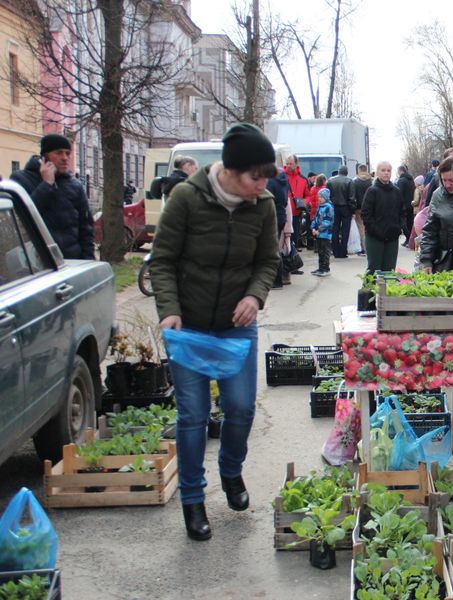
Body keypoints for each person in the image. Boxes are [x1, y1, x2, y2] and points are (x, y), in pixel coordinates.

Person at [150, 122, 280, 541]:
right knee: (193, 416)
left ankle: (230, 473)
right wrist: (169, 311)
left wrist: (254, 297)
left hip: (236, 325)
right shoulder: (187, 198)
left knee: (240, 408)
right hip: (188, 325)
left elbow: (267, 262)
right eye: (254, 176)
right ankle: (192, 500)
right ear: (231, 168)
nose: (260, 186)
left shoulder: (263, 204)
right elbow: (163, 259)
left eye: (265, 178)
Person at [10, 133, 95, 260]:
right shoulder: (21, 179)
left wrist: (88, 260)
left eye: (67, 153)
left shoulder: (74, 185)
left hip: (71, 261)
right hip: (38, 262)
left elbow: (86, 228)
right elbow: (22, 218)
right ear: (45, 156)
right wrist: (46, 184)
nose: (65, 158)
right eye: (59, 153)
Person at [360, 161, 404, 274]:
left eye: (388, 170)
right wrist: (375, 230)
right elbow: (365, 214)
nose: (386, 173)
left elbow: (402, 212)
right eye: (383, 170)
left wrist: (398, 228)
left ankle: (387, 292)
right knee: (374, 270)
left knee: (389, 271)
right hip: (375, 238)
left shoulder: (396, 191)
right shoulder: (372, 191)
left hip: (392, 238)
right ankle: (368, 291)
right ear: (377, 172)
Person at [267, 165, 291, 288]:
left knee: (271, 249)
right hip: (281, 215)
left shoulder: (270, 182)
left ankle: (276, 280)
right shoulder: (283, 181)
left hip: (272, 216)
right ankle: (279, 278)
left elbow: (266, 199)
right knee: (275, 248)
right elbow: (286, 201)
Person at [284, 155, 310, 252]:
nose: (288, 166)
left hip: (296, 213)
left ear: (296, 164)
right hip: (283, 212)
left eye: (291, 164)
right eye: (287, 164)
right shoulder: (281, 177)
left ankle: (292, 259)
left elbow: (308, 195)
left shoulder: (303, 179)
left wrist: (304, 203)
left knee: (294, 237)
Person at [326, 165, 353, 258]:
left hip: (333, 207)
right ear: (346, 172)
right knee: (345, 230)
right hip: (346, 208)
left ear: (338, 171)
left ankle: (335, 251)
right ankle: (343, 252)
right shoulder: (349, 181)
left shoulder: (330, 180)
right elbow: (352, 197)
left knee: (335, 230)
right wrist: (352, 210)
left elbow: (327, 195)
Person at [310, 187, 334, 277]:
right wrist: (313, 227)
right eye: (318, 196)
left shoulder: (329, 207)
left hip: (326, 234)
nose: (319, 198)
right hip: (319, 234)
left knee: (325, 251)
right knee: (320, 251)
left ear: (326, 197)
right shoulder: (320, 207)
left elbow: (327, 221)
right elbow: (315, 219)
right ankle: (320, 268)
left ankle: (326, 269)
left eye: (321, 197)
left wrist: (318, 230)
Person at [350, 164, 372, 256]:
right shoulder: (372, 181)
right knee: (370, 228)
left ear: (358, 170)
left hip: (359, 208)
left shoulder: (354, 181)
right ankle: (371, 247)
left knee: (360, 228)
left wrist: (353, 209)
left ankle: (363, 248)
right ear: (366, 170)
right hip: (370, 208)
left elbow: (352, 196)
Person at [396, 165, 416, 243]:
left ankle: (408, 239)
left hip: (404, 205)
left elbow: (399, 193)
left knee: (403, 223)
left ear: (401, 171)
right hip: (411, 204)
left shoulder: (401, 181)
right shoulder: (411, 180)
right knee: (410, 223)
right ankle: (410, 239)